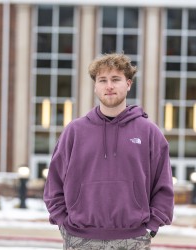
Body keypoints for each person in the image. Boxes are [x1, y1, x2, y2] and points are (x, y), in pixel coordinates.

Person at [43, 53, 174, 250]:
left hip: (133, 239)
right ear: (96, 86)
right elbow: (54, 183)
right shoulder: (74, 131)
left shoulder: (149, 132)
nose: (109, 86)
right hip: (79, 238)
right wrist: (63, 222)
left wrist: (151, 227)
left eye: (115, 79)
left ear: (128, 84)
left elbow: (163, 186)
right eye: (102, 80)